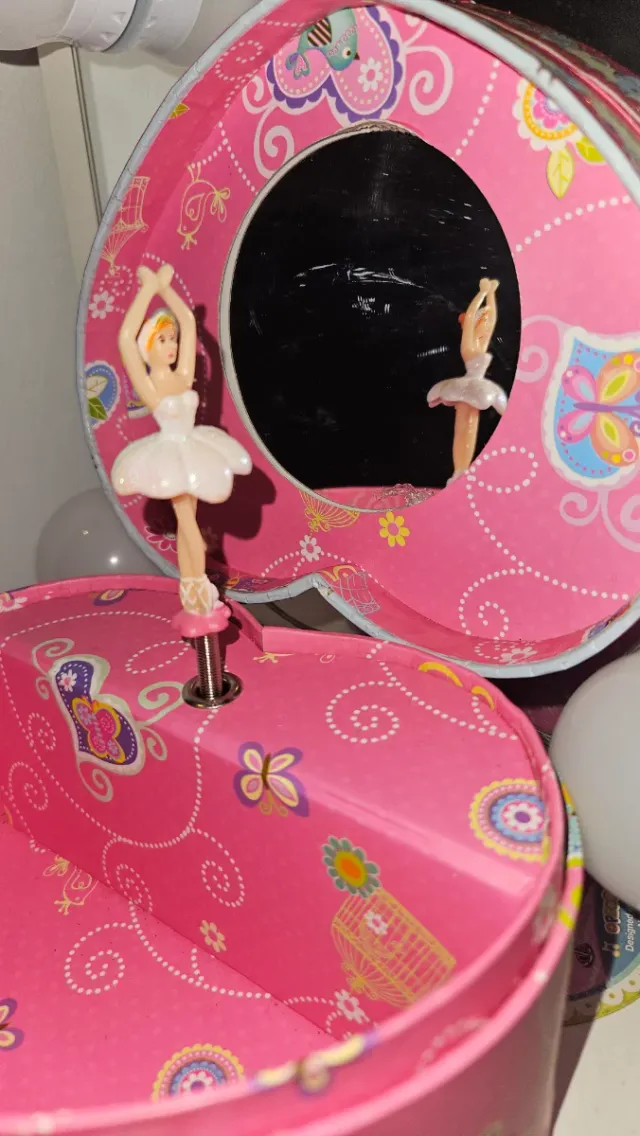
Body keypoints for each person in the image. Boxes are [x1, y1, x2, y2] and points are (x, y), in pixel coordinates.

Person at [111, 264, 251, 615]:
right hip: (169, 452)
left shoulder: (184, 375)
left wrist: (165, 288)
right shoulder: (151, 385)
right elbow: (125, 338)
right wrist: (147, 290)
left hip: (193, 446)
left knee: (189, 510)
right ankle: (196, 571)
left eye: (172, 339)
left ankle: (193, 582)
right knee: (185, 514)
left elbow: (188, 323)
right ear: (148, 347)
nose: (172, 345)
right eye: (163, 339)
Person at [427, 278, 507, 481]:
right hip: (467, 387)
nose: (486, 326)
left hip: (478, 387)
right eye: (483, 321)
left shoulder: (482, 343)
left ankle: (463, 469)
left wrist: (491, 294)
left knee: (470, 428)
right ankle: (459, 470)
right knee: (464, 428)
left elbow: (493, 318)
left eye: (486, 322)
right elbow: (470, 316)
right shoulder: (469, 346)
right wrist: (482, 293)